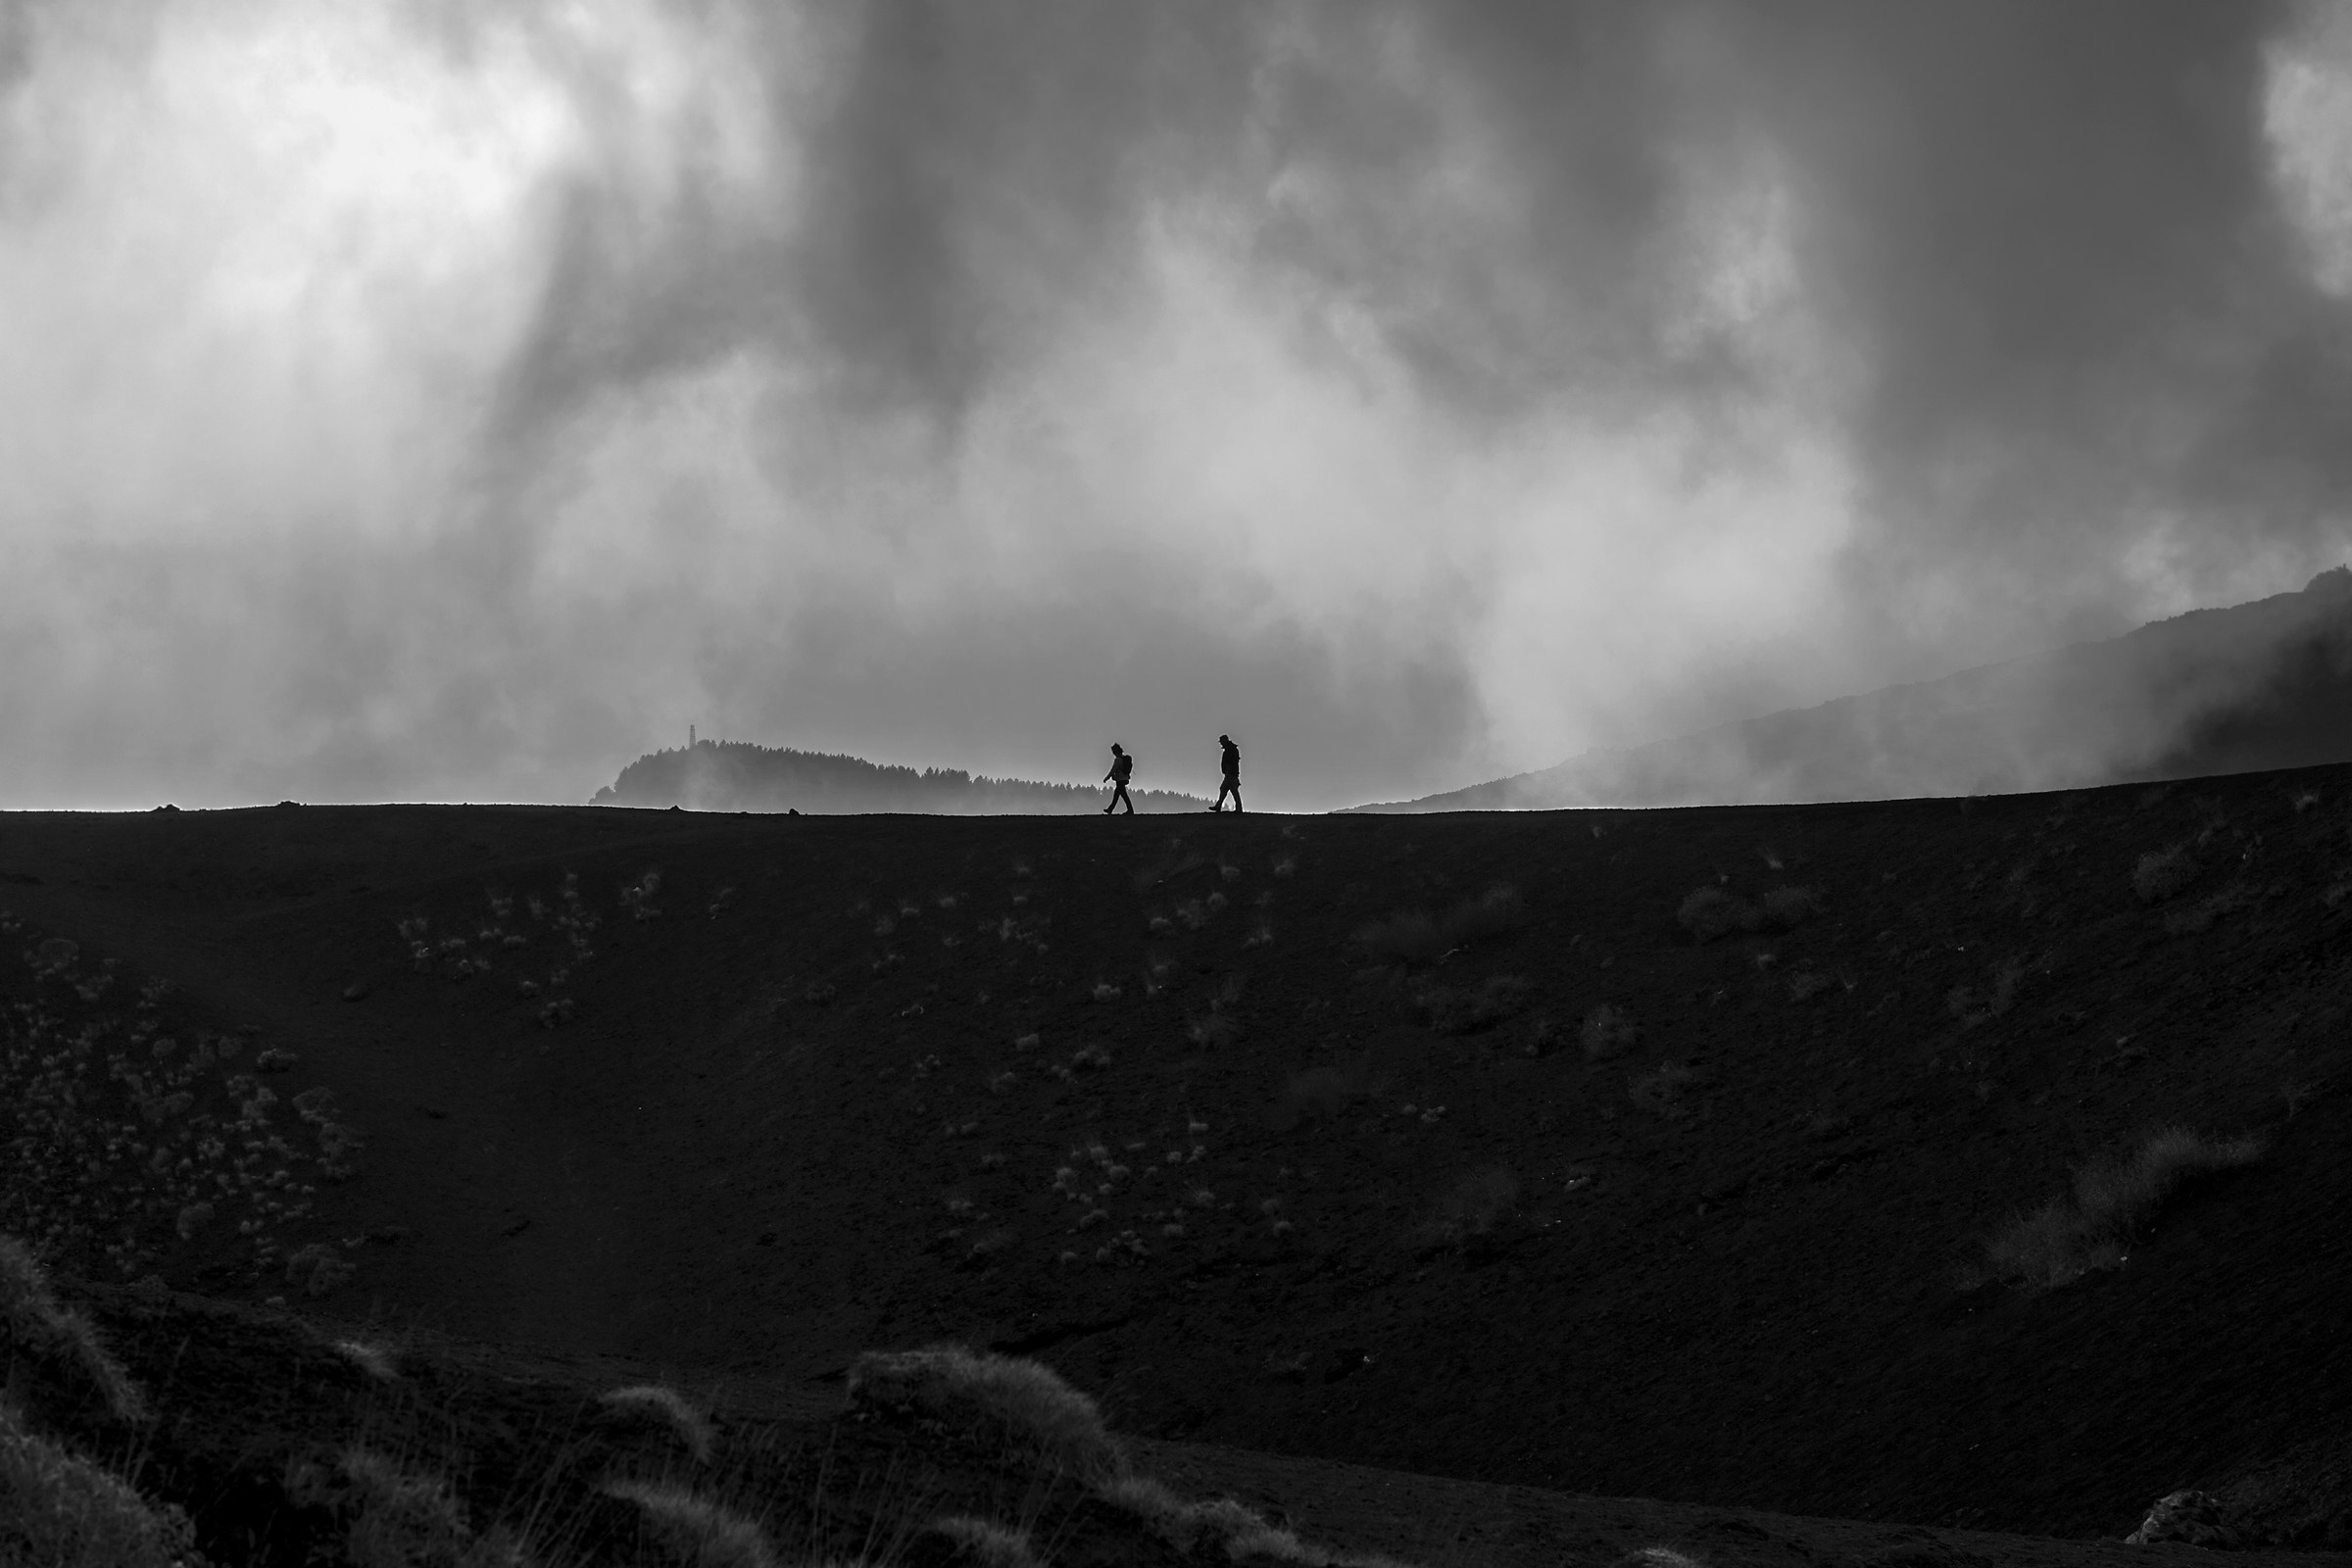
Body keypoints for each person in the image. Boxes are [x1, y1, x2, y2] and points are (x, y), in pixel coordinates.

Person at [1102, 744, 1135, 815]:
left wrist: (1106, 778)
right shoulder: (1124, 758)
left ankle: (1130, 811)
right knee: (1117, 795)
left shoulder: (1118, 760)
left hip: (1120, 780)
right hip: (1124, 779)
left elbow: (1113, 770)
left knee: (1123, 796)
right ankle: (1110, 809)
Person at [1213, 733, 1243, 813]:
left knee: (1230, 791)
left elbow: (1232, 762)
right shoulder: (1231, 749)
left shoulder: (1230, 750)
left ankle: (1238, 809)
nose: (1221, 743)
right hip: (1230, 774)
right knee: (1225, 790)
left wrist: (1228, 770)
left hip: (1231, 774)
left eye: (1221, 742)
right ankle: (1219, 806)